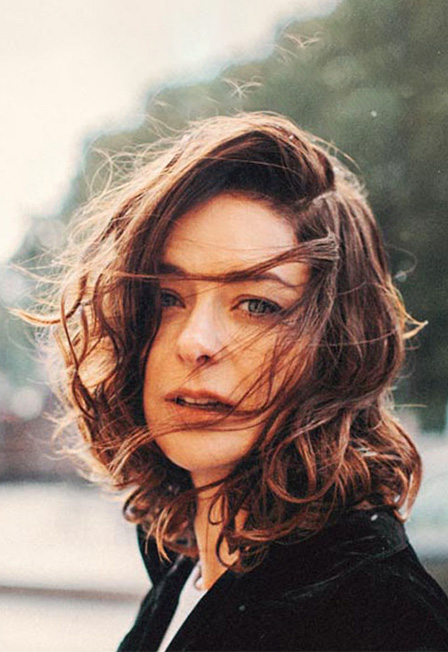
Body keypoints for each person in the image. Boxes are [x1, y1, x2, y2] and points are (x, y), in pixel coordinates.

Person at [37, 112, 448, 650]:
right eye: (168, 298)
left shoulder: (376, 615)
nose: (195, 342)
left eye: (257, 305)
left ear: (337, 345)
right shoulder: (185, 574)